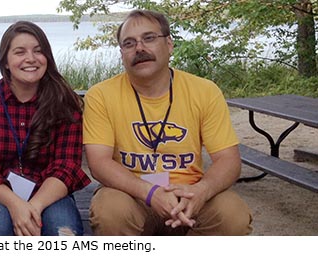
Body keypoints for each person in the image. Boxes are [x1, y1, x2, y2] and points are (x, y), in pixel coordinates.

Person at [83, 9, 253, 235]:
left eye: (149, 38)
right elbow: (99, 163)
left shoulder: (204, 91)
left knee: (233, 214)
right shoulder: (101, 95)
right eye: (129, 43)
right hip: (132, 195)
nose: (140, 48)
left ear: (169, 44)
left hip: (190, 195)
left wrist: (201, 191)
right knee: (110, 210)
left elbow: (229, 161)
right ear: (122, 53)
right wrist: (151, 193)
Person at [0, 21, 91, 236]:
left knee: (62, 228)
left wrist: (33, 207)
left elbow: (66, 165)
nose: (30, 59)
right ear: (5, 61)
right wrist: (16, 204)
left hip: (48, 192)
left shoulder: (64, 101)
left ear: (47, 58)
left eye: (38, 51)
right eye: (20, 52)